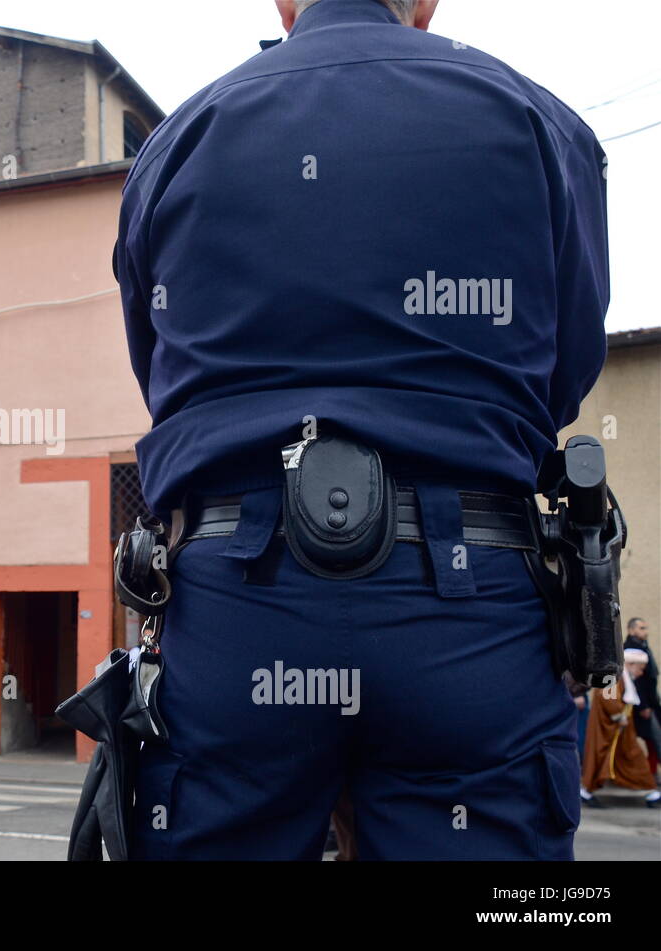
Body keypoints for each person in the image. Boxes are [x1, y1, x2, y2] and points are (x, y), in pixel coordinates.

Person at [113, 0, 609, 859]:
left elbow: (160, 373)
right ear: (426, 2)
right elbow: (564, 373)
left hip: (236, 602)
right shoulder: (536, 121)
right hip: (471, 605)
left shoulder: (180, 137)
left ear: (282, 1)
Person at [580, 649, 661, 809]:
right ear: (630, 664)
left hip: (618, 731)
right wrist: (619, 715)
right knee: (603, 759)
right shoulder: (612, 675)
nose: (641, 672)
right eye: (640, 668)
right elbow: (606, 697)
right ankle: (586, 792)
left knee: (632, 758)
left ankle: (651, 792)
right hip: (607, 730)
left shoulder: (622, 677)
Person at [623, 618, 660, 775]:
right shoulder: (630, 650)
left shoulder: (643, 646)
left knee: (654, 740)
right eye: (641, 628)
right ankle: (648, 775)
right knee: (652, 739)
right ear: (631, 630)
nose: (645, 631)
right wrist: (643, 706)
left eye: (646, 627)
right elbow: (634, 682)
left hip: (651, 702)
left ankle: (650, 774)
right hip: (641, 705)